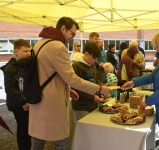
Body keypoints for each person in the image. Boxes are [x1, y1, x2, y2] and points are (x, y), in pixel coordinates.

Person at [29, 17, 111, 150]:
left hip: (38, 96)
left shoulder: (40, 43)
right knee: (61, 139)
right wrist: (99, 88)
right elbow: (73, 79)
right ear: (62, 29)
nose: (72, 37)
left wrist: (67, 89)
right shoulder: (58, 47)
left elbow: (49, 73)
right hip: (52, 101)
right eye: (72, 33)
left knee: (38, 139)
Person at [0, 39, 31, 150]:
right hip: (18, 104)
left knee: (26, 128)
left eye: (29, 51)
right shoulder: (10, 67)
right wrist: (23, 102)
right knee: (24, 129)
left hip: (25, 102)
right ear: (16, 51)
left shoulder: (23, 64)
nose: (28, 53)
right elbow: (10, 88)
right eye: (25, 51)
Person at [71, 41, 105, 121]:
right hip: (81, 107)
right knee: (83, 131)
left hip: (93, 105)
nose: (95, 60)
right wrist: (93, 97)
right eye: (94, 58)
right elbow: (77, 88)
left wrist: (101, 90)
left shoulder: (92, 65)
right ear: (86, 53)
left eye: (97, 59)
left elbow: (96, 80)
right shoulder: (76, 66)